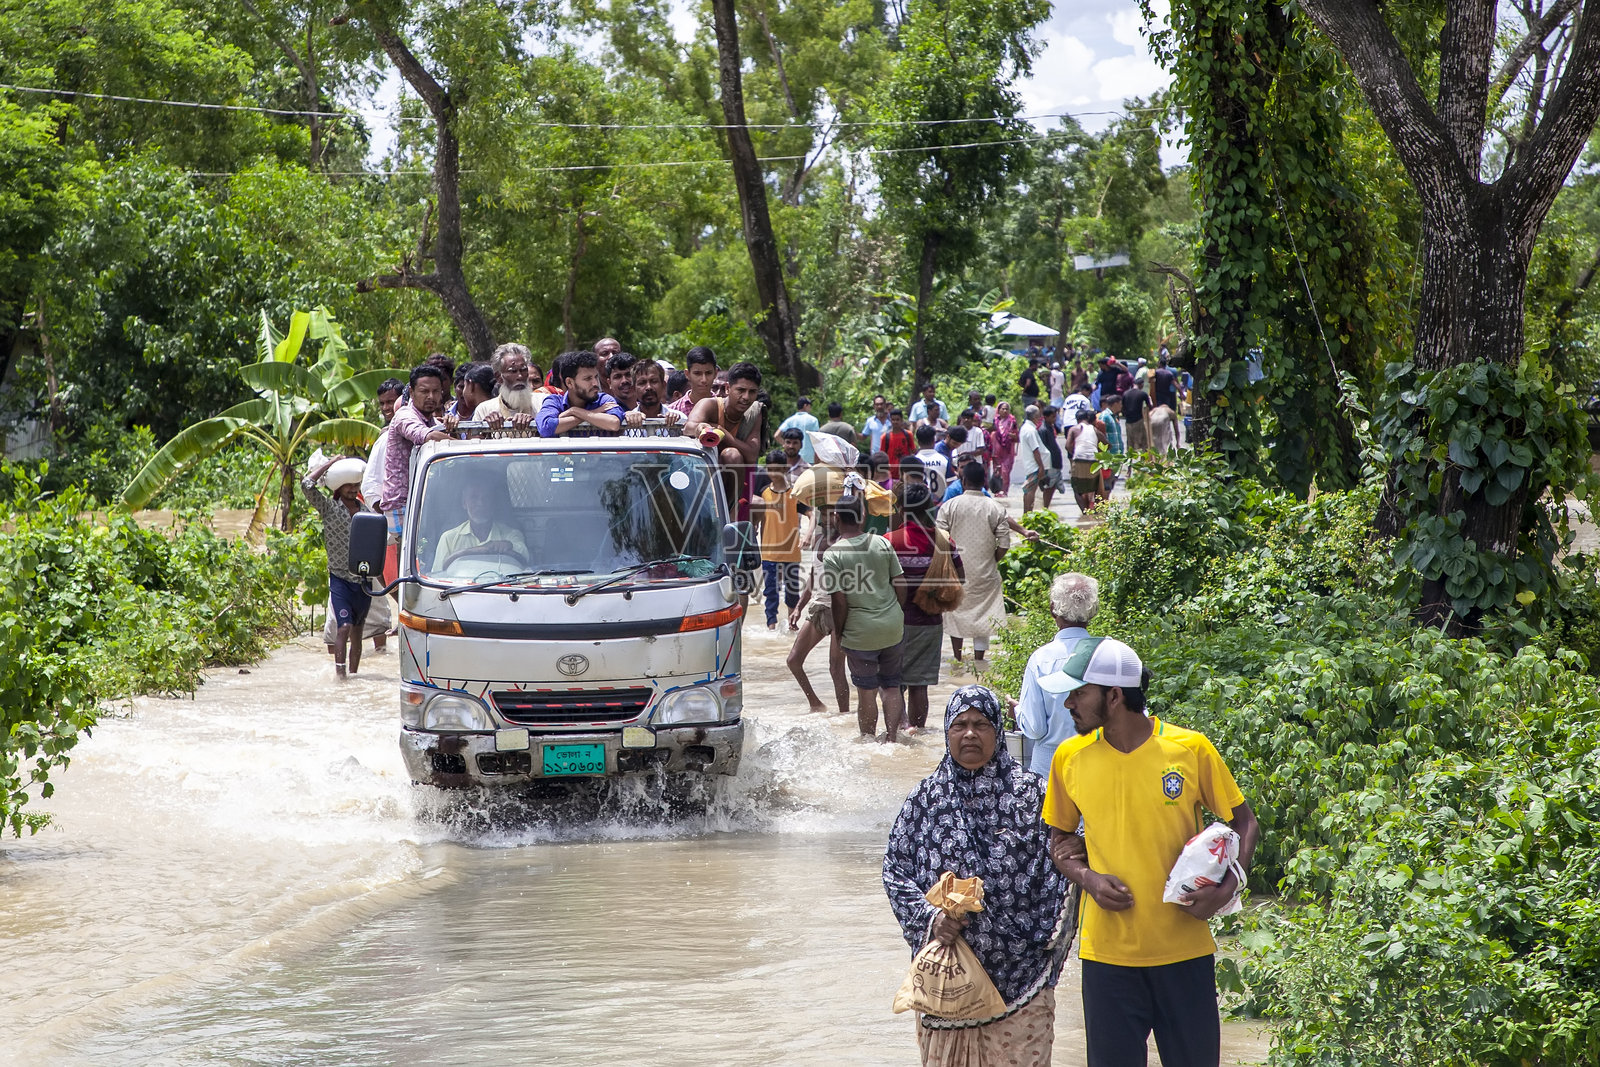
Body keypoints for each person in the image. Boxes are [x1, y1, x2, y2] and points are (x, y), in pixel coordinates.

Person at [1041, 637, 1260, 1067]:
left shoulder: (1189, 749)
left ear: (1114, 696)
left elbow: (1245, 823)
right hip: (1106, 959)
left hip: (1184, 952)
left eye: (1079, 693)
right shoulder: (1069, 757)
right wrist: (1088, 879)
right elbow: (1060, 841)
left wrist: (1227, 888)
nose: (1069, 703)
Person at [883, 685, 1070, 1067]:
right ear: (947, 733)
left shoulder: (1034, 795)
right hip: (946, 984)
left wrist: (1039, 941)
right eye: (960, 725)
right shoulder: (925, 800)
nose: (970, 734)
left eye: (981, 724)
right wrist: (931, 919)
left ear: (998, 731)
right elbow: (895, 869)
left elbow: (1064, 865)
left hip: (1023, 981)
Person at [823, 492, 907, 741]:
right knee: (892, 686)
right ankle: (892, 738)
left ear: (836, 517)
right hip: (892, 627)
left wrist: (840, 633)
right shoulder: (882, 543)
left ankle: (869, 742)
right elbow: (900, 583)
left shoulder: (833, 554)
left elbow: (839, 601)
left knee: (867, 691)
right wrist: (895, 613)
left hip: (860, 632)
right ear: (862, 516)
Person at [885, 482, 962, 732]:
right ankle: (917, 732)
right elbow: (960, 578)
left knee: (892, 683)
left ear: (901, 509)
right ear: (929, 507)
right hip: (930, 623)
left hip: (894, 622)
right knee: (919, 686)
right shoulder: (944, 541)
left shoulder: (889, 541)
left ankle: (901, 728)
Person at [1014, 573, 1099, 776]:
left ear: (1053, 609)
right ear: (1093, 611)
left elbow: (1035, 729)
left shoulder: (1041, 659)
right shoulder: (1106, 653)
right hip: (1098, 763)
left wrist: (1017, 711)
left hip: (1049, 768)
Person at [303, 456, 374, 680]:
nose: (353, 489)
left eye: (356, 485)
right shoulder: (329, 509)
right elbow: (306, 485)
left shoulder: (367, 513)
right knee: (343, 628)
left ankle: (353, 678)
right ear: (339, 487)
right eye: (348, 485)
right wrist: (331, 462)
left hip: (362, 581)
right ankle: (341, 678)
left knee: (358, 633)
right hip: (340, 579)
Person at [937, 463, 1011, 674]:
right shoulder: (995, 508)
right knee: (984, 613)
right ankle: (980, 661)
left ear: (963, 481)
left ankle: (957, 658)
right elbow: (1004, 544)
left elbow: (940, 541)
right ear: (984, 482)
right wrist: (992, 560)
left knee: (955, 612)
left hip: (955, 571)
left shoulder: (949, 506)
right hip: (985, 572)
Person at [379, 364, 452, 537]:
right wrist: (468, 447)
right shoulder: (404, 416)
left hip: (424, 503)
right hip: (401, 506)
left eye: (436, 391)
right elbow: (426, 436)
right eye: (424, 391)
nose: (431, 396)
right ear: (411, 392)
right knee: (410, 551)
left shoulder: (434, 422)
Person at [753, 450, 807, 631]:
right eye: (770, 469)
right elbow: (755, 517)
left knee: (792, 592)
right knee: (771, 593)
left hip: (791, 552)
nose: (773, 474)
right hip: (769, 552)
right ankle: (771, 628)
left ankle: (793, 625)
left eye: (777, 469)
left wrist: (808, 535)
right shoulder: (763, 494)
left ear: (785, 468)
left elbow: (811, 514)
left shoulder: (794, 494)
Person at [432, 479, 529, 571]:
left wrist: (509, 546)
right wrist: (471, 551)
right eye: (474, 497)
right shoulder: (448, 539)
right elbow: (438, 574)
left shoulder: (511, 535)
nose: (480, 503)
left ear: (493, 504)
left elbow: (524, 556)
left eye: (486, 498)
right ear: (464, 503)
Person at [472, 343, 539, 430]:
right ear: (499, 377)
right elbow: (474, 437)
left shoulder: (542, 403)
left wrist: (535, 425)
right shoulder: (484, 410)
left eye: (523, 370)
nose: (520, 376)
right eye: (513, 371)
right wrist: (486, 430)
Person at [1066, 408, 1108, 514]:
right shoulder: (1094, 429)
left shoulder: (1074, 429)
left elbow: (1067, 446)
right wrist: (1098, 452)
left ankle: (1085, 513)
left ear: (1077, 419)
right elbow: (1107, 444)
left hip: (1079, 460)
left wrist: (1074, 453)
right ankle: (1096, 513)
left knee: (1077, 489)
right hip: (1094, 461)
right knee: (1096, 489)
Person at [632, 358, 686, 427]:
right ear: (634, 388)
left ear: (663, 385)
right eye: (642, 383)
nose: (649, 387)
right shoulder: (627, 422)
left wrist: (674, 427)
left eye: (654, 381)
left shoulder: (679, 419)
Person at [1015, 404, 1049, 514]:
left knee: (1029, 490)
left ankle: (1027, 514)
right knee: (1030, 490)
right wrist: (1041, 467)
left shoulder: (1026, 428)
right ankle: (1028, 514)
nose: (1040, 418)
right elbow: (1035, 450)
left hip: (1031, 464)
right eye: (1039, 416)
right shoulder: (1030, 430)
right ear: (1035, 417)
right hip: (1034, 465)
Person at [669, 345, 717, 416]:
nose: (704, 380)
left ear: (715, 373)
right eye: (697, 373)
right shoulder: (673, 411)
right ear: (687, 374)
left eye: (708, 373)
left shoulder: (725, 408)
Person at [1098, 393, 1126, 501]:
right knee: (1106, 483)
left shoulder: (1114, 417)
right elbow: (1100, 434)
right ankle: (1103, 505)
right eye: (1120, 404)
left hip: (1116, 455)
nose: (1121, 406)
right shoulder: (1105, 416)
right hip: (1109, 456)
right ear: (1115, 404)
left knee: (1112, 481)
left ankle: (1105, 503)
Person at [778, 397, 821, 463]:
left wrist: (786, 445)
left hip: (793, 456)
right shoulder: (813, 420)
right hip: (810, 457)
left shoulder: (790, 420)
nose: (810, 408)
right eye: (810, 406)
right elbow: (817, 439)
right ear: (805, 405)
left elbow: (777, 435)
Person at [1037, 405, 1063, 511]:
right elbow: (1042, 449)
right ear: (1046, 417)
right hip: (1049, 463)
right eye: (1053, 417)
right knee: (1049, 486)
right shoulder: (1043, 430)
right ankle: (1045, 508)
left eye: (1055, 416)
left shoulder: (1050, 427)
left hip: (1054, 462)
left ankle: (1045, 508)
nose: (1055, 419)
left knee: (1052, 486)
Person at [989, 400, 1018, 497]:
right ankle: (997, 491)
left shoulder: (1012, 422)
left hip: (1008, 450)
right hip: (997, 450)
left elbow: (1017, 436)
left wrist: (1012, 436)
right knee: (997, 470)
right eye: (1003, 409)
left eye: (1007, 409)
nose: (1005, 411)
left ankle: (1004, 491)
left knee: (1005, 471)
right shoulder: (995, 421)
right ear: (999, 410)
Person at [1122, 379, 1152, 452]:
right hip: (1139, 420)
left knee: (1130, 442)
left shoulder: (1125, 393)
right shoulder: (1143, 394)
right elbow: (1150, 406)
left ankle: (1130, 457)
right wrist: (1150, 401)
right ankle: (1143, 457)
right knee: (1143, 442)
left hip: (1128, 422)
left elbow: (1122, 408)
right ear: (1141, 384)